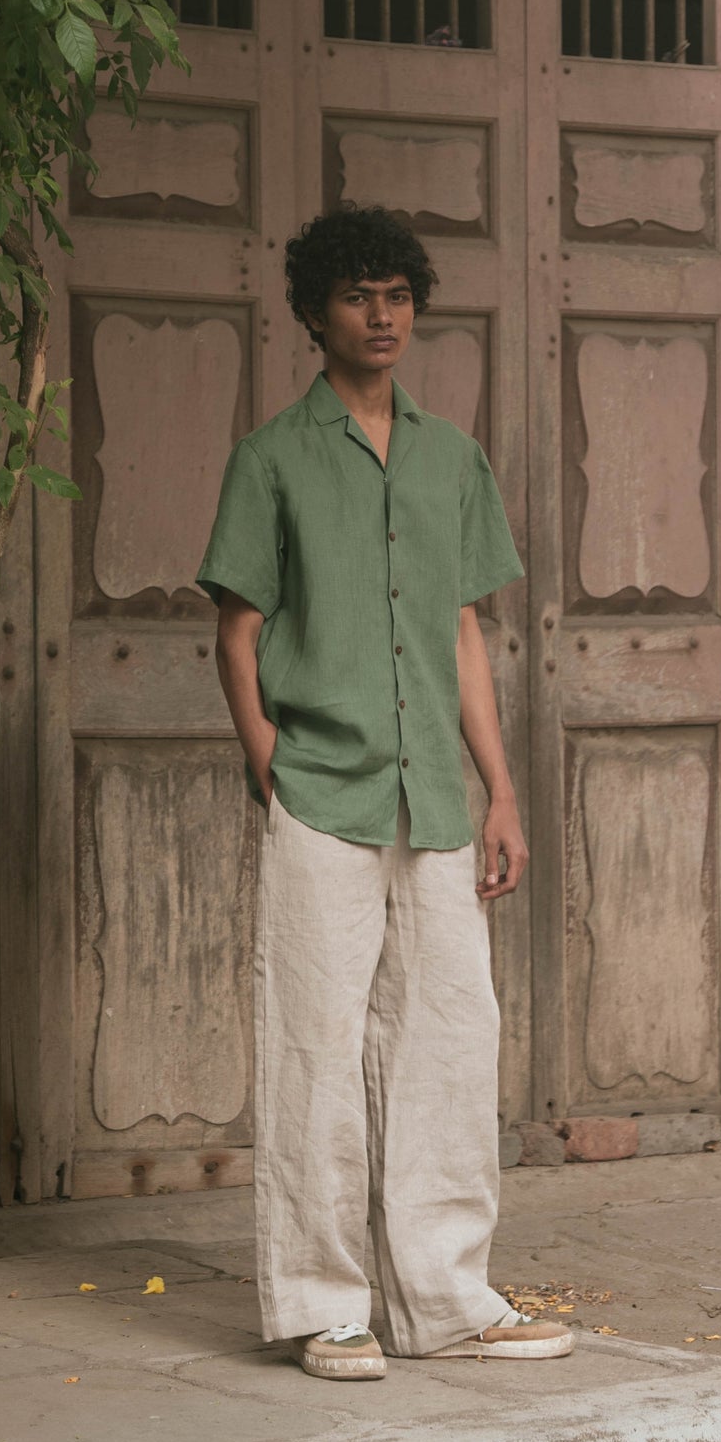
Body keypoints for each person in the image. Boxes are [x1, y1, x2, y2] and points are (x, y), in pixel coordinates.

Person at [197, 204, 574, 1380]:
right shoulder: (270, 458)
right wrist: (270, 762)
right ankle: (322, 1307)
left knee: (451, 1041)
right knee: (314, 1047)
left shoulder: (450, 458)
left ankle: (446, 1301)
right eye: (357, 296)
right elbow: (238, 630)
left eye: (397, 295)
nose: (380, 316)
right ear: (313, 315)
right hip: (322, 790)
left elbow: (464, 632)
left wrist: (498, 790)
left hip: (435, 805)